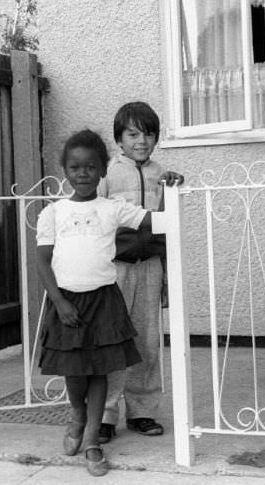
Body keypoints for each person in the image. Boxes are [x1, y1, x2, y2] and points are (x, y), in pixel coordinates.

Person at [36, 129, 180, 477]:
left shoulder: (113, 209)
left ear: (103, 171)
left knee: (100, 369)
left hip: (103, 301)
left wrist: (172, 191)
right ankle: (78, 416)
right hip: (66, 301)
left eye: (90, 167)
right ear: (65, 171)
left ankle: (91, 441)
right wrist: (59, 302)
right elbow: (42, 261)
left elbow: (157, 221)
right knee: (74, 370)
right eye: (75, 167)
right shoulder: (53, 213)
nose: (82, 173)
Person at [96, 101, 183, 443]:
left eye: (148, 134)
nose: (141, 141)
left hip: (150, 267)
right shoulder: (107, 173)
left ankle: (142, 411)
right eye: (133, 134)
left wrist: (175, 186)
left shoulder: (162, 173)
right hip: (115, 268)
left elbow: (167, 221)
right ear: (119, 138)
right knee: (114, 341)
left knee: (146, 342)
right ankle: (104, 415)